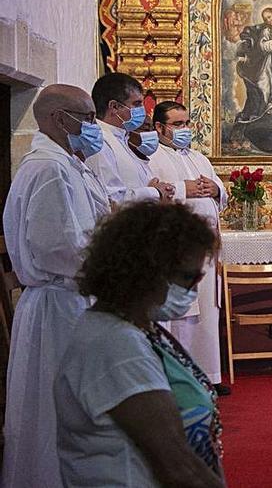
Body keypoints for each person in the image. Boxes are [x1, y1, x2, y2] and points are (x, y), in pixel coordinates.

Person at [57, 202, 223, 487]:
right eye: (187, 277)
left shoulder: (134, 327)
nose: (193, 290)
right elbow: (177, 465)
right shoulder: (115, 346)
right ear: (147, 271)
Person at [1, 84, 111, 487]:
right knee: (55, 416)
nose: (93, 125)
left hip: (71, 301)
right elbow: (57, 248)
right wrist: (114, 263)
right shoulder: (48, 168)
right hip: (59, 305)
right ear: (57, 119)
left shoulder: (68, 163)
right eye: (86, 116)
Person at [148, 101, 231, 395]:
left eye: (187, 123)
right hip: (176, 249)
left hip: (205, 251)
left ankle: (208, 374)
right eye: (178, 124)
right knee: (180, 315)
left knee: (207, 312)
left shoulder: (198, 158)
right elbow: (152, 192)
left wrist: (216, 189)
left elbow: (221, 191)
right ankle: (181, 375)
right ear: (159, 127)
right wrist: (185, 189)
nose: (185, 130)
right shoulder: (151, 156)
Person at [86, 72, 175, 204]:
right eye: (137, 104)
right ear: (114, 106)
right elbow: (110, 199)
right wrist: (154, 192)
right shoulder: (99, 141)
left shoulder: (122, 138)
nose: (143, 110)